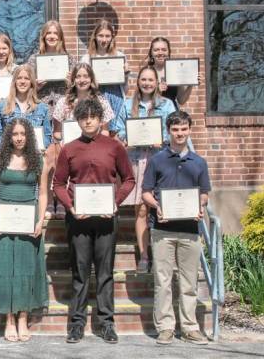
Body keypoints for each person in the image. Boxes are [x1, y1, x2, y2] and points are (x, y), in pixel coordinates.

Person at [53, 98, 135, 344]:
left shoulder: (114, 147)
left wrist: (115, 202)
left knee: (104, 273)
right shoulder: (69, 148)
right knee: (79, 273)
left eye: (93, 116)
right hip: (78, 218)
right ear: (77, 120)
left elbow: (129, 179)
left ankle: (106, 323)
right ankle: (76, 324)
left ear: (100, 119)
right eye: (83, 116)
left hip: (106, 218)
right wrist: (70, 206)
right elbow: (58, 184)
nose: (88, 120)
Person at [141, 110, 211, 346]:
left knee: (189, 281)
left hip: (190, 230)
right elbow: (146, 193)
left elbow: (204, 194)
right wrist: (158, 206)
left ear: (189, 130)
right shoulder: (157, 160)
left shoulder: (199, 162)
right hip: (162, 229)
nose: (180, 133)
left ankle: (190, 327)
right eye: (175, 129)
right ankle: (166, 327)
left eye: (183, 129)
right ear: (168, 131)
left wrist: (200, 205)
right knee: (163, 281)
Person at [0, 119, 49, 342]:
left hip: (28, 219)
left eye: (23, 133)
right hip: (3, 218)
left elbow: (42, 193)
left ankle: (23, 317)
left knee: (25, 267)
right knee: (5, 267)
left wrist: (40, 220)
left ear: (29, 135)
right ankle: (9, 320)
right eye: (15, 134)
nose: (19, 138)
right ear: (8, 136)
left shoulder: (38, 159)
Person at [116, 66, 176, 272]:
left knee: (163, 208)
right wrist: (128, 140)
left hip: (161, 160)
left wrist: (163, 140)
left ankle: (164, 257)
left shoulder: (167, 105)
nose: (147, 83)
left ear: (157, 82)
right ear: (138, 81)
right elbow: (120, 133)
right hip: (137, 161)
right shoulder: (127, 105)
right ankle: (143, 256)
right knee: (141, 209)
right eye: (144, 79)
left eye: (151, 80)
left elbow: (174, 131)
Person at [80, 19, 129, 135]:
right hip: (95, 98)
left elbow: (125, 90)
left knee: (116, 135)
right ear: (95, 37)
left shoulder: (120, 57)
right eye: (101, 36)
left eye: (107, 36)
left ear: (112, 37)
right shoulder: (86, 59)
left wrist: (125, 76)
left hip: (116, 98)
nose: (104, 40)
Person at [0, 64, 52, 150]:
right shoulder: (2, 106)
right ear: (14, 81)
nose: (22, 81)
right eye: (19, 78)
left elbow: (47, 136)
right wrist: (7, 147)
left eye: (26, 78)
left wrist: (39, 147)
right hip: (10, 157)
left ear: (32, 82)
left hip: (33, 157)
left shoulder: (42, 108)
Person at [52, 62, 115, 142]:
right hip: (71, 148)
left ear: (91, 79)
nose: (82, 80)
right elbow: (56, 133)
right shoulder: (63, 102)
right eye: (78, 77)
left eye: (86, 76)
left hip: (95, 147)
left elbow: (105, 131)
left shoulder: (102, 102)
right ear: (73, 80)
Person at [25, 20, 72, 113]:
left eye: (55, 33)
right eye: (48, 33)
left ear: (60, 37)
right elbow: (24, 88)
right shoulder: (33, 60)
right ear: (43, 36)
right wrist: (36, 87)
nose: (52, 36)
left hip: (63, 109)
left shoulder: (69, 59)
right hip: (40, 109)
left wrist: (71, 83)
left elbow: (78, 88)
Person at [142, 37, 193, 108]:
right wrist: (157, 91)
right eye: (156, 50)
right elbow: (142, 98)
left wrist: (191, 84)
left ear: (169, 52)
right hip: (152, 113)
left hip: (171, 114)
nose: (160, 53)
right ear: (151, 52)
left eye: (164, 50)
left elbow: (181, 100)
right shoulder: (146, 72)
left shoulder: (175, 70)